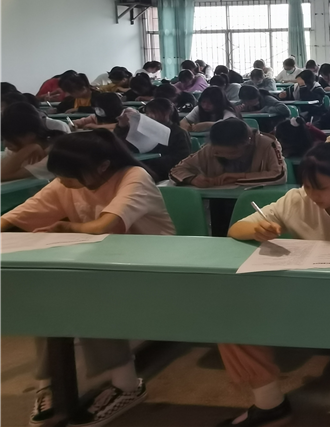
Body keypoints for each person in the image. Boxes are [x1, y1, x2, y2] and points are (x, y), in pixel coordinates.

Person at [1, 130, 174, 427]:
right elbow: (18, 217)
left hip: (152, 266)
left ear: (103, 166)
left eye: (69, 175)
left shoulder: (134, 177)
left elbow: (104, 226)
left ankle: (126, 385)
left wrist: (64, 228)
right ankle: (50, 382)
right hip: (99, 263)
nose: (62, 182)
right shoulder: (66, 182)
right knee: (47, 299)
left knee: (85, 294)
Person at [216, 138, 330, 427]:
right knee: (232, 314)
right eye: (308, 186)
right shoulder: (298, 199)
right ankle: (269, 404)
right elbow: (236, 229)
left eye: (321, 188)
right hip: (312, 294)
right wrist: (257, 229)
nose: (312, 196)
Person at [170, 118, 286, 188]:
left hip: (260, 201)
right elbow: (176, 170)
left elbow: (279, 175)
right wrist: (192, 179)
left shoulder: (268, 144)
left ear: (246, 144)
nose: (218, 155)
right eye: (218, 152)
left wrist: (238, 177)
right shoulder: (211, 148)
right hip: (220, 202)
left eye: (232, 153)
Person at [114, 98, 192, 182]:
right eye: (148, 113)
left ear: (167, 113)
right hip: (142, 168)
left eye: (154, 112)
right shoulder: (143, 129)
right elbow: (124, 146)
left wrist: (150, 161)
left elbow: (181, 159)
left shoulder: (179, 133)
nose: (151, 116)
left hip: (165, 173)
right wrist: (122, 127)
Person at [0, 102, 64, 182]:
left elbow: (2, 175)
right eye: (3, 139)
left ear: (30, 135)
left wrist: (30, 148)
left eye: (9, 139)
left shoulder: (52, 156)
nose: (5, 144)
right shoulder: (16, 147)